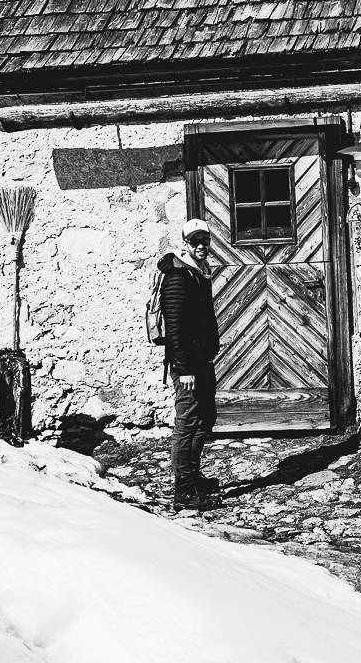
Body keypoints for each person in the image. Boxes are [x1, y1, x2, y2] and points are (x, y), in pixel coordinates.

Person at [157, 218, 219, 510]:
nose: (201, 245)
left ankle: (193, 477)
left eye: (204, 240)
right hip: (188, 367)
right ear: (186, 243)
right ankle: (183, 491)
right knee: (188, 423)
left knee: (205, 419)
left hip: (201, 361)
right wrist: (184, 370)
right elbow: (175, 329)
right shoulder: (178, 277)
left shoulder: (197, 273)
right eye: (195, 241)